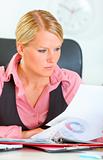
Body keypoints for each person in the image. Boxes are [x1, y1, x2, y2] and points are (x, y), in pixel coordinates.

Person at [0, 9, 81, 139]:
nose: (52, 59)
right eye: (42, 50)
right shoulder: (1, 82)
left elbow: (88, 130)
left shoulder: (70, 83)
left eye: (57, 49)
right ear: (21, 48)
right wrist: (21, 134)